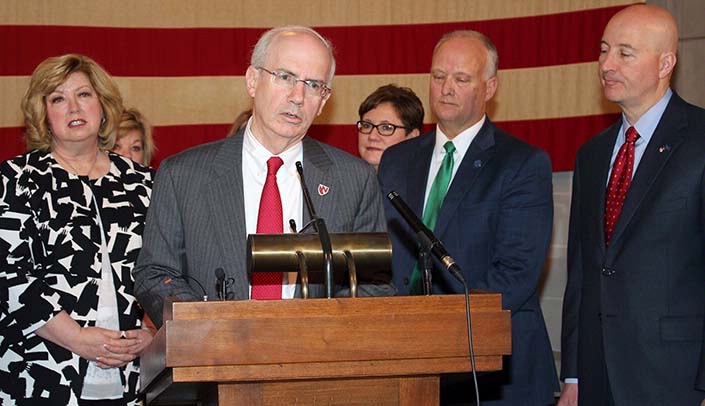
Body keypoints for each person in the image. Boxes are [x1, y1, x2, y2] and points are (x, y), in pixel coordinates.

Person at [132, 26, 394, 328]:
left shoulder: (353, 180)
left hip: (314, 365)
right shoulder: (183, 175)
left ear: (323, 101)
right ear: (253, 81)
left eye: (313, 85)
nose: (297, 96)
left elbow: (373, 287)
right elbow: (154, 275)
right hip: (212, 361)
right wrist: (210, 331)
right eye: (285, 77)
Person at [378, 30, 559, 405]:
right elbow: (382, 258)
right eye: (438, 76)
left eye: (461, 79)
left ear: (490, 86)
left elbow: (515, 274)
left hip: (491, 371)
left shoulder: (522, 163)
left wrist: (434, 333)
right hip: (404, 362)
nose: (446, 88)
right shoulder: (397, 160)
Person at [558, 5, 705, 405]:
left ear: (665, 63)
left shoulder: (700, 141)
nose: (606, 64)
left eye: (625, 53)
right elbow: (583, 272)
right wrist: (573, 375)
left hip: (676, 379)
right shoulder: (592, 154)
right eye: (604, 50)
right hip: (596, 377)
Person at [0, 54, 154, 405]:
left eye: (83, 95)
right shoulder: (14, 181)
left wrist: (153, 332)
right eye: (58, 98)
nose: (73, 107)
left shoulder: (143, 183)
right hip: (38, 374)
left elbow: (168, 269)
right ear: (43, 113)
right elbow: (11, 279)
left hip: (132, 376)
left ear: (102, 105)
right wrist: (77, 338)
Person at [357, 84, 423, 171]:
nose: (372, 136)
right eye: (367, 126)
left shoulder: (425, 183)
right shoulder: (341, 180)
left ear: (412, 137)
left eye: (386, 128)